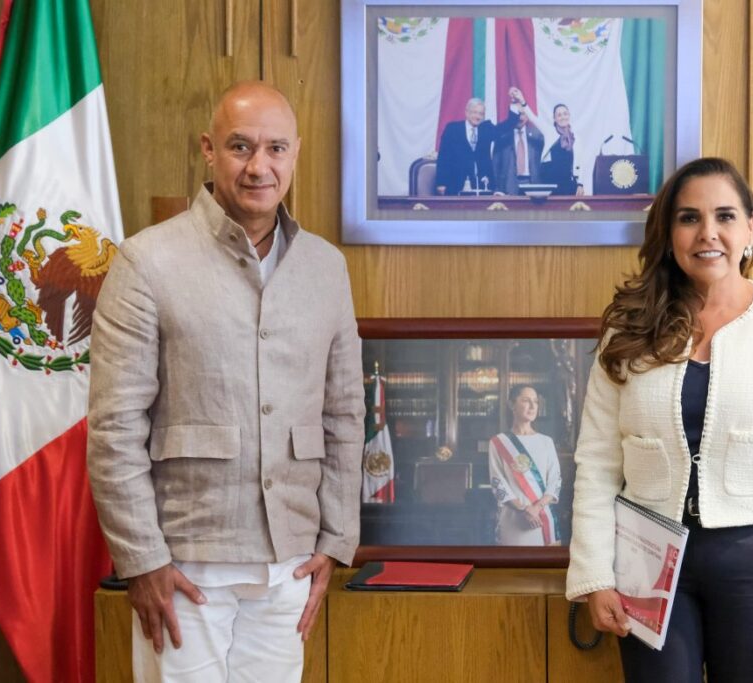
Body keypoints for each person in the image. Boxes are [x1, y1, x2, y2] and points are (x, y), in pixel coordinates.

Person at [87, 81, 365, 682]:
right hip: (184, 560)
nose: (259, 166)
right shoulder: (145, 262)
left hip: (290, 559)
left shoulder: (326, 267)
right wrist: (141, 559)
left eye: (276, 149)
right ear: (209, 150)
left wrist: (336, 539)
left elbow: (344, 412)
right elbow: (114, 428)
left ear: (295, 154)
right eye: (241, 147)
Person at [565, 157, 753, 682]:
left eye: (725, 216)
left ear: (750, 227)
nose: (708, 233)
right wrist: (594, 574)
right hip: (647, 558)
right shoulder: (629, 329)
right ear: (669, 232)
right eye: (689, 218)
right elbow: (597, 462)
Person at [488, 385, 562, 546]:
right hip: (514, 518)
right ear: (512, 404)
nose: (533, 406)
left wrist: (537, 508)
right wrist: (523, 509)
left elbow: (555, 480)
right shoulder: (499, 442)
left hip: (542, 516)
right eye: (526, 400)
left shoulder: (546, 442)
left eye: (536, 401)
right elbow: (498, 482)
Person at [434, 98, 495, 195]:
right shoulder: (452, 129)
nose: (478, 117)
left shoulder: (486, 129)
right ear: (467, 113)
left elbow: (503, 129)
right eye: (475, 112)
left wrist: (514, 107)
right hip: (455, 184)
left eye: (481, 114)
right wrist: (441, 182)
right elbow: (443, 157)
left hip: (482, 185)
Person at [491, 87, 545, 195]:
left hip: (533, 184)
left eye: (523, 114)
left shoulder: (537, 135)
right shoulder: (503, 136)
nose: (520, 118)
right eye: (518, 114)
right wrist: (497, 189)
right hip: (508, 186)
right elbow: (496, 164)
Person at [540, 104, 584, 196]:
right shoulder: (549, 132)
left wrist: (580, 184)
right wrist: (523, 103)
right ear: (554, 118)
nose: (563, 117)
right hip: (551, 185)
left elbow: (581, 162)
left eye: (565, 114)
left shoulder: (576, 138)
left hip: (570, 185)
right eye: (559, 115)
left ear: (569, 116)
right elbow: (533, 118)